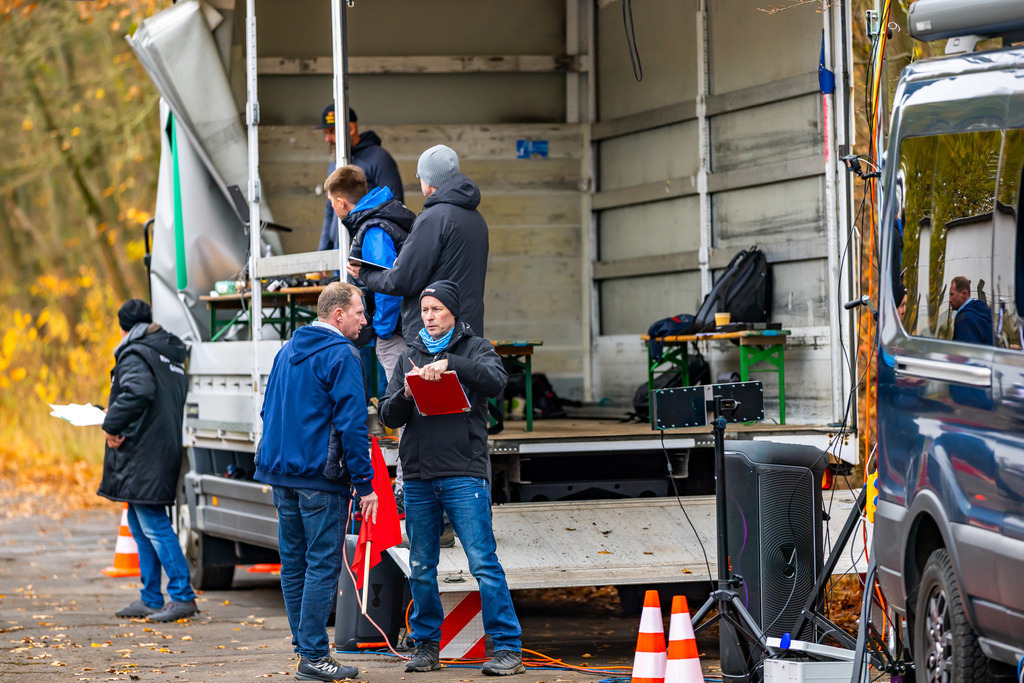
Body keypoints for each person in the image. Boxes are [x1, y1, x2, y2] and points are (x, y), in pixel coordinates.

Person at [378, 281, 524, 676]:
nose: (429, 316)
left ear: (454, 314)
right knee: (422, 566)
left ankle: (508, 648)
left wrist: (452, 364)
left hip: (464, 473)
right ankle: (427, 646)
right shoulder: (408, 356)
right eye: (425, 310)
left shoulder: (476, 349)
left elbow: (497, 382)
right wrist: (406, 395)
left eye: (437, 309)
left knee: (483, 564)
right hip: (420, 477)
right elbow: (388, 416)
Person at [255, 282, 379, 683]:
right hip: (320, 480)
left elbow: (266, 410)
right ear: (338, 315)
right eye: (360, 312)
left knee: (293, 565)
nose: (366, 320)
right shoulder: (343, 354)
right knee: (322, 566)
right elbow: (353, 425)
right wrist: (365, 484)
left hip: (281, 474)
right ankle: (313, 655)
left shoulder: (286, 351)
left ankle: (303, 646)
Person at [99, 299, 197, 623]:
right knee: (141, 524)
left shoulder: (135, 352)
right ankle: (151, 597)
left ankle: (182, 596)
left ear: (125, 329)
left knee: (153, 523)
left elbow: (138, 392)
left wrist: (111, 424)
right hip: (162, 446)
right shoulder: (166, 352)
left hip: (143, 453)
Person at [347, 144, 489, 345]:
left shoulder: (433, 218)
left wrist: (363, 273)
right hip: (468, 330)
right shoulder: (476, 219)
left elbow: (402, 280)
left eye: (419, 175)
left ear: (429, 180)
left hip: (434, 336)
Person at [317, 104, 404, 251]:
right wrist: (322, 254)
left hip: (367, 253)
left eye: (332, 131)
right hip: (338, 253)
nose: (327, 139)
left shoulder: (379, 159)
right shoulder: (335, 163)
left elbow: (394, 207)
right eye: (326, 133)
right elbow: (330, 211)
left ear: (351, 129)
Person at [949, 275, 993, 345]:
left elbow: (965, 352)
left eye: (952, 294)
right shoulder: (981, 312)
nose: (949, 300)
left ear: (964, 294)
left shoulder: (965, 319)